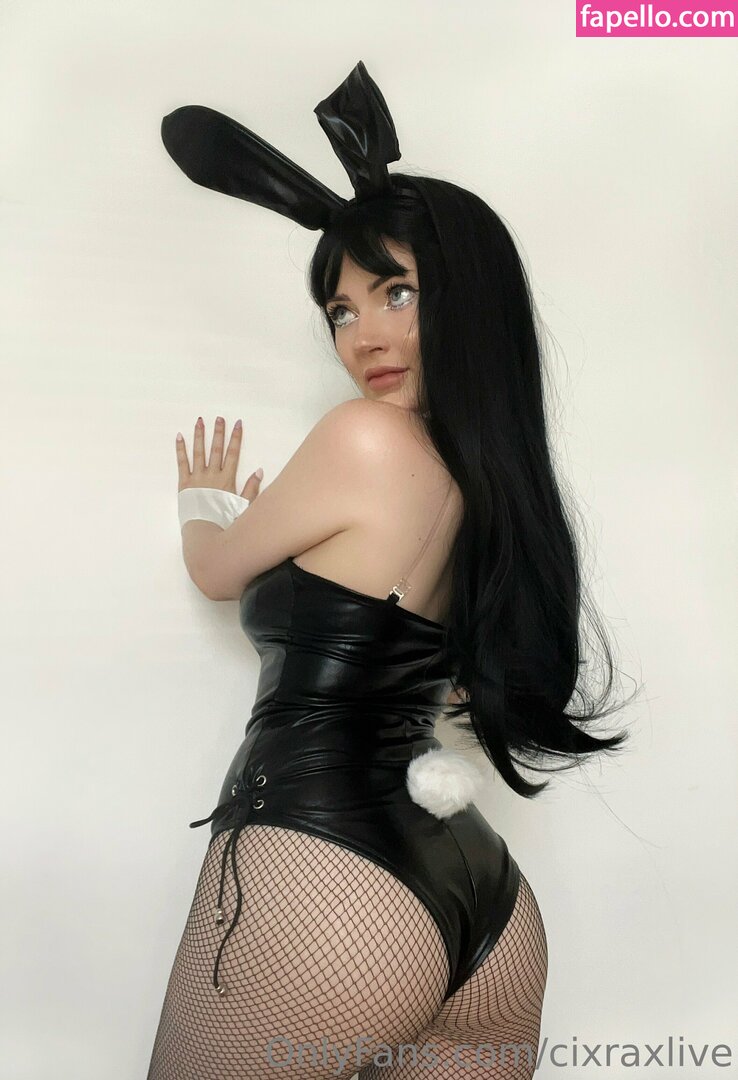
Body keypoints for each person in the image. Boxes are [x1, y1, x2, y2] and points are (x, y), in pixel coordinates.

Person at [147, 63, 632, 1079]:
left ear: (466, 297)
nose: (362, 336)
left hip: (325, 873)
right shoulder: (494, 485)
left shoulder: (363, 439)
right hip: (483, 902)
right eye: (341, 310)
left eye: (395, 293)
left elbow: (219, 572)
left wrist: (206, 507)